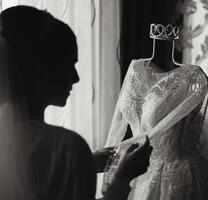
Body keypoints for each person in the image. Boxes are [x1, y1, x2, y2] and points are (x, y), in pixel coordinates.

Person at [0, 5, 152, 200]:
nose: (76, 77)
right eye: (69, 65)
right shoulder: (67, 148)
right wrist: (123, 177)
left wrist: (87, 162)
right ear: (41, 71)